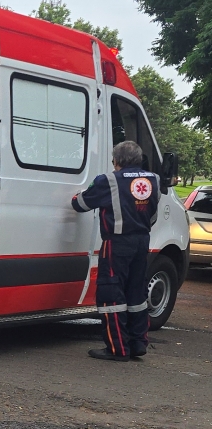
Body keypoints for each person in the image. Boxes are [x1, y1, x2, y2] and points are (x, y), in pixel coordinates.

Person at [71, 140, 160, 361]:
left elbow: (80, 203)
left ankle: (117, 348)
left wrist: (75, 195)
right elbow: (153, 213)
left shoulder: (109, 181)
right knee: (136, 293)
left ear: (117, 160)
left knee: (111, 295)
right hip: (142, 241)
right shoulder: (153, 180)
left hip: (116, 244)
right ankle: (138, 343)